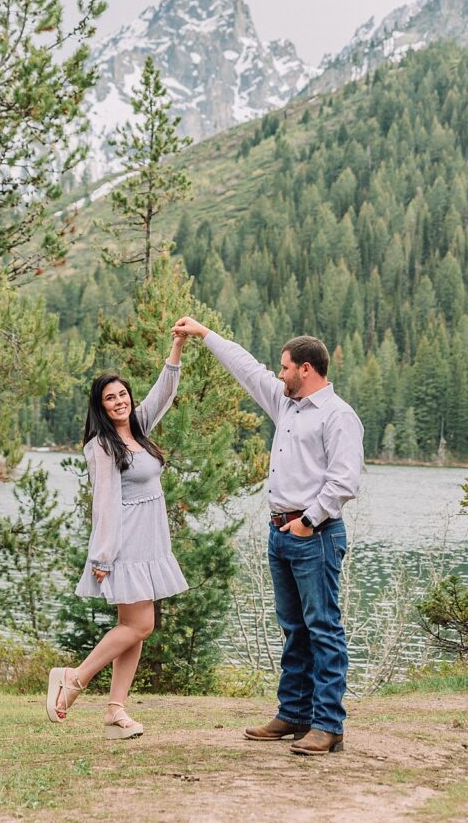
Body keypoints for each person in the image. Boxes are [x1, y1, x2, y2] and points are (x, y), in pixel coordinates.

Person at [172, 317, 363, 755]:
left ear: (307, 370)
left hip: (314, 535)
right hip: (280, 533)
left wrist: (308, 522)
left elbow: (344, 482)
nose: (279, 374)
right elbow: (246, 368)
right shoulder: (286, 405)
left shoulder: (338, 416)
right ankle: (293, 714)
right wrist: (205, 334)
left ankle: (328, 724)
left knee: (323, 628)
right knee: (294, 628)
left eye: (285, 368)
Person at [46, 334, 188, 738]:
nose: (119, 401)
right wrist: (102, 558)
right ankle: (75, 678)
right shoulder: (102, 447)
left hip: (151, 541)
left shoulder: (139, 427)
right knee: (140, 626)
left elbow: (164, 393)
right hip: (126, 543)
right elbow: (104, 504)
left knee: (137, 627)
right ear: (101, 406)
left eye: (123, 394)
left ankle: (115, 711)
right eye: (110, 398)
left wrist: (175, 350)